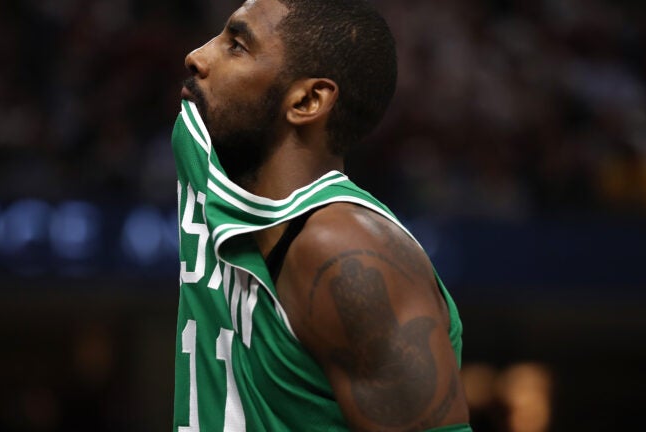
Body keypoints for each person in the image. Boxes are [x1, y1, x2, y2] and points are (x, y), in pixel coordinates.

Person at [171, 0, 472, 430]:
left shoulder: (345, 253)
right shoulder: (212, 172)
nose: (196, 56)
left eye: (237, 45)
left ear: (307, 100)